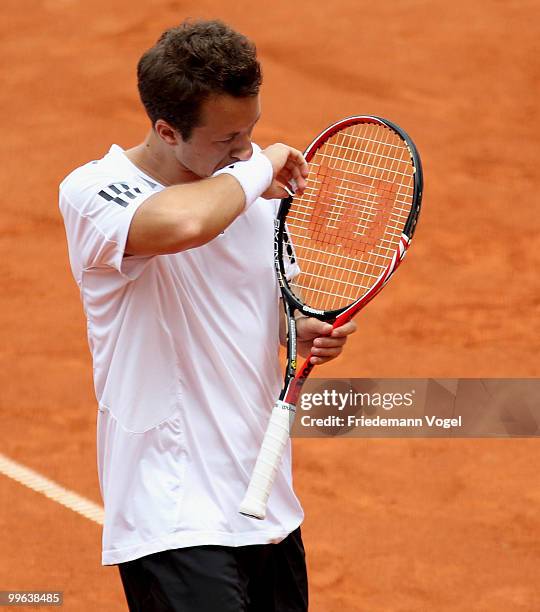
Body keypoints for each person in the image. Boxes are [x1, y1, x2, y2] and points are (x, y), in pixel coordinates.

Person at [59, 19, 356, 612]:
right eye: (226, 140)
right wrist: (257, 170)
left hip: (264, 503)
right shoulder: (94, 192)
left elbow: (274, 313)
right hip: (171, 513)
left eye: (252, 131)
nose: (244, 150)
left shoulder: (249, 195)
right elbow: (184, 224)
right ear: (167, 131)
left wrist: (301, 331)